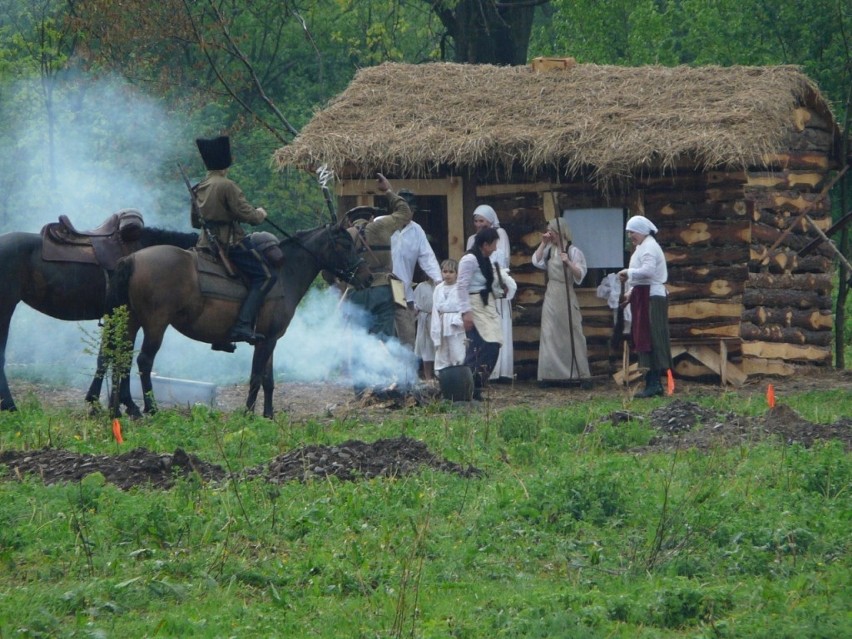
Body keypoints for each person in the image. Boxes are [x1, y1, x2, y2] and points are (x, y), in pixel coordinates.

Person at [193, 135, 272, 351]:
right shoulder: (227, 185)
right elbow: (250, 216)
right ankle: (243, 325)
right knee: (265, 277)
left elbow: (194, 221)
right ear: (225, 164)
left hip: (204, 243)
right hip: (229, 243)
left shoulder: (199, 186)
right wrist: (261, 213)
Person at [345, 173, 413, 340]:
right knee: (384, 337)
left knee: (358, 338)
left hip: (356, 291)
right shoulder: (380, 226)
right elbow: (405, 212)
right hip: (383, 288)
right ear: (371, 218)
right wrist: (388, 191)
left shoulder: (345, 235)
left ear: (350, 222)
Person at [532, 218, 592, 388]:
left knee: (572, 333)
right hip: (552, 294)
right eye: (549, 231)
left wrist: (568, 262)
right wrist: (543, 244)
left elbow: (580, 274)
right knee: (549, 333)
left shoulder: (573, 251)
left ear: (561, 232)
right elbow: (536, 261)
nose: (550, 234)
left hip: (566, 294)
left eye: (553, 231)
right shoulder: (550, 250)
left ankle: (579, 374)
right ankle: (549, 375)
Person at [617, 215, 672, 397]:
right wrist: (631, 291)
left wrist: (628, 272)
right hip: (643, 295)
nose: (630, 236)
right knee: (644, 337)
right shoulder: (642, 247)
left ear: (641, 230)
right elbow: (642, 276)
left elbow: (648, 272)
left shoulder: (649, 247)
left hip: (652, 297)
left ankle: (654, 383)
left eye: (632, 232)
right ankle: (651, 382)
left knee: (652, 337)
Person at [389, 190, 442, 349]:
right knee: (381, 333)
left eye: (411, 210)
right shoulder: (380, 224)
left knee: (406, 336)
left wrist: (439, 281)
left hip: (401, 288)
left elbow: (427, 257)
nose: (409, 213)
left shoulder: (416, 230)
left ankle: (406, 372)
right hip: (381, 286)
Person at [466, 204, 513, 382]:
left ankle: (501, 371)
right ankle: (482, 371)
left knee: (497, 328)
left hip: (494, 285)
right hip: (479, 290)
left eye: (482, 221)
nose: (479, 224)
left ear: (490, 220)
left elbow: (502, 259)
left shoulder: (500, 234)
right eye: (476, 221)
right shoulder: (472, 239)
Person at [458, 227, 504, 399]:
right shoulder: (469, 259)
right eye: (494, 244)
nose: (495, 248)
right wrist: (466, 312)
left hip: (485, 304)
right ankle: (464, 388)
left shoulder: (485, 259)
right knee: (478, 347)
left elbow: (487, 283)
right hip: (474, 304)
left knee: (492, 344)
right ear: (485, 244)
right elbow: (462, 286)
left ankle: (477, 385)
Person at [431, 259, 466, 373]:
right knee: (442, 354)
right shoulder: (438, 288)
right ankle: (443, 379)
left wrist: (458, 320)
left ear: (456, 273)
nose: (447, 274)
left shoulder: (461, 288)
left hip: (455, 325)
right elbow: (435, 310)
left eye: (451, 272)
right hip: (441, 323)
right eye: (445, 271)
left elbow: (465, 306)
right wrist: (435, 329)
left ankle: (459, 380)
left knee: (457, 353)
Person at [412, 276, 436, 380]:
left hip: (438, 319)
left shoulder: (441, 286)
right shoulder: (421, 286)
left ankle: (438, 375)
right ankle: (428, 376)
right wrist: (416, 309)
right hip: (425, 319)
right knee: (426, 349)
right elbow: (414, 302)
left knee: (438, 347)